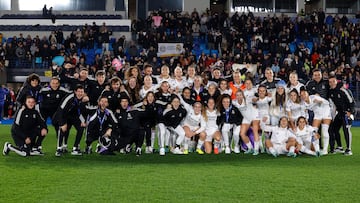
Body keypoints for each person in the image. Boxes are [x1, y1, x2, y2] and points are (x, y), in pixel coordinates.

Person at [52, 85, 89, 156]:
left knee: (81, 128)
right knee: (63, 129)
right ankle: (59, 149)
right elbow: (60, 110)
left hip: (73, 116)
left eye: (82, 92)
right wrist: (62, 123)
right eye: (78, 91)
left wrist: (83, 121)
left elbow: (81, 112)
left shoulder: (84, 100)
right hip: (62, 115)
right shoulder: (69, 97)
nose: (80, 93)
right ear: (75, 92)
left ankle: (75, 148)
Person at [300, 86, 331, 155]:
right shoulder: (303, 104)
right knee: (313, 132)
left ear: (307, 94)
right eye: (301, 95)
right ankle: (317, 149)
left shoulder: (314, 97)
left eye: (304, 94)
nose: (303, 96)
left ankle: (325, 150)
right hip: (317, 115)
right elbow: (304, 114)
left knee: (324, 131)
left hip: (326, 112)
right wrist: (306, 120)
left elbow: (327, 103)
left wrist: (320, 101)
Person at [328, 76, 354, 155]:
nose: (332, 83)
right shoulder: (331, 92)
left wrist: (350, 112)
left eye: (333, 81)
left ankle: (349, 149)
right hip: (339, 113)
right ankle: (339, 147)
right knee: (334, 128)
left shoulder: (342, 90)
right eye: (330, 82)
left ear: (336, 81)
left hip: (347, 113)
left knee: (346, 130)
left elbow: (351, 101)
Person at [232, 90, 261, 155]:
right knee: (242, 133)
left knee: (255, 130)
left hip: (254, 115)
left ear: (243, 95)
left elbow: (255, 99)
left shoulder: (248, 100)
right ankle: (250, 148)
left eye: (240, 95)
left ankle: (256, 149)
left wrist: (257, 98)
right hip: (246, 118)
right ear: (235, 96)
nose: (239, 96)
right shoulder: (234, 102)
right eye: (237, 95)